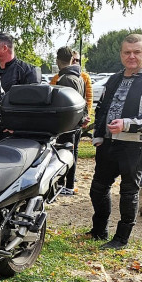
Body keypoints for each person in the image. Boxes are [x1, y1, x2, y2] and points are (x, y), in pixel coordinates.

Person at [87, 33, 142, 249]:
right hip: (107, 143)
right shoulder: (114, 78)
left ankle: (121, 238)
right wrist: (98, 134)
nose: (131, 56)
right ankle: (99, 230)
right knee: (98, 188)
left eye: (136, 52)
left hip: (135, 145)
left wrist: (127, 124)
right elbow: (102, 108)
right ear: (121, 54)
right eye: (127, 52)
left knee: (128, 192)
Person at [50, 46, 86, 195]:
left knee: (65, 155)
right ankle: (68, 184)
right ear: (72, 59)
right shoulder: (78, 77)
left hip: (68, 125)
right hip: (77, 123)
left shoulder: (65, 79)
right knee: (73, 153)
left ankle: (65, 184)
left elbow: (65, 105)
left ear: (57, 60)